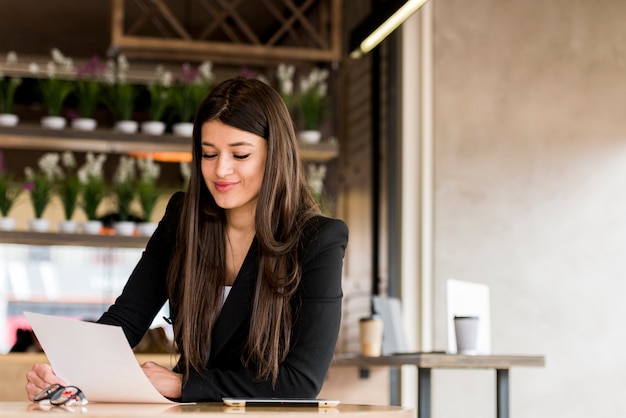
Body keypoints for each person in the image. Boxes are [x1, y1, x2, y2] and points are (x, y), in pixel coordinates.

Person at [25, 77, 349, 403]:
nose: (221, 170)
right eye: (209, 154)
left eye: (240, 155)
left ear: (275, 156)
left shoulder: (318, 240)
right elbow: (124, 322)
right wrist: (66, 373)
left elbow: (301, 383)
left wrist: (182, 385)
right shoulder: (183, 219)